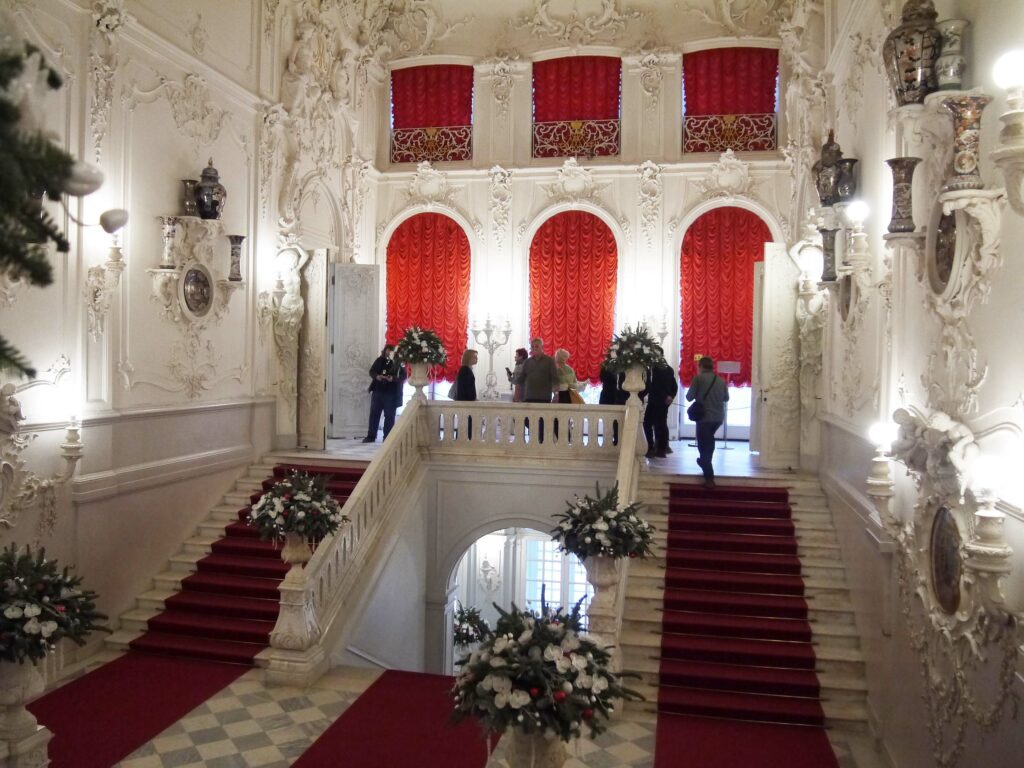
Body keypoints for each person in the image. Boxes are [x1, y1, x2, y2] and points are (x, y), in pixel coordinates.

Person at [685, 356, 729, 487]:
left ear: (701, 366)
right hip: (718, 418)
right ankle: (704, 462)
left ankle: (709, 477)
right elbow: (726, 398)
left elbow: (689, 397)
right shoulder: (721, 380)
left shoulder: (698, 378)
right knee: (709, 440)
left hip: (704, 418)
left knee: (704, 445)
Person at [520, 338, 558, 443]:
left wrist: (556, 394)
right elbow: (521, 379)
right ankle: (534, 441)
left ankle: (541, 442)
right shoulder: (527, 362)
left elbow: (555, 379)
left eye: (537, 346)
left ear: (542, 347)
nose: (534, 348)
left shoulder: (549, 361)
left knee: (542, 422)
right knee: (528, 420)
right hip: (529, 397)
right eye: (532, 346)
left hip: (543, 397)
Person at [363, 344, 402, 443]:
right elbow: (372, 371)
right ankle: (371, 436)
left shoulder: (398, 362)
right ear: (385, 350)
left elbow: (402, 376)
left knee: (389, 416)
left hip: (391, 393)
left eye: (391, 350)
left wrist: (392, 378)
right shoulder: (379, 360)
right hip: (378, 391)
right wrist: (377, 376)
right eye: (388, 350)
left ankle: (387, 438)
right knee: (374, 415)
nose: (389, 352)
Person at [644, 351, 678, 459]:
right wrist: (670, 397)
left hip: (655, 401)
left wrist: (667, 396)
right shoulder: (669, 368)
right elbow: (674, 386)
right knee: (661, 424)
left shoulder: (654, 369)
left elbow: (653, 386)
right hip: (664, 402)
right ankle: (662, 449)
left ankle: (650, 448)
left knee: (648, 424)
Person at [598, 361, 626, 445]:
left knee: (617, 420)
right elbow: (602, 378)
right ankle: (607, 439)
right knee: (606, 418)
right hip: (607, 395)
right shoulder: (606, 366)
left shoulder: (623, 366)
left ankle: (617, 439)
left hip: (618, 396)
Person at [454, 349, 478, 440]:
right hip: (466, 403)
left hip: (466, 402)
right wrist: (473, 398)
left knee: (464, 425)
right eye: (474, 357)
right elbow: (466, 388)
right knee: (464, 425)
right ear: (468, 358)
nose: (476, 359)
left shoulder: (466, 369)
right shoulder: (465, 370)